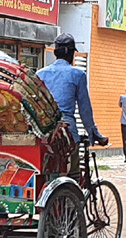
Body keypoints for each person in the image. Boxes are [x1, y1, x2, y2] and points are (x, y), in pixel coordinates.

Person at [37, 33, 106, 176]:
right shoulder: (77, 74)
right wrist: (94, 134)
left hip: (44, 132)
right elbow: (84, 109)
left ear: (55, 53)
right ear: (70, 54)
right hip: (66, 132)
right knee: (73, 173)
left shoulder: (40, 74)